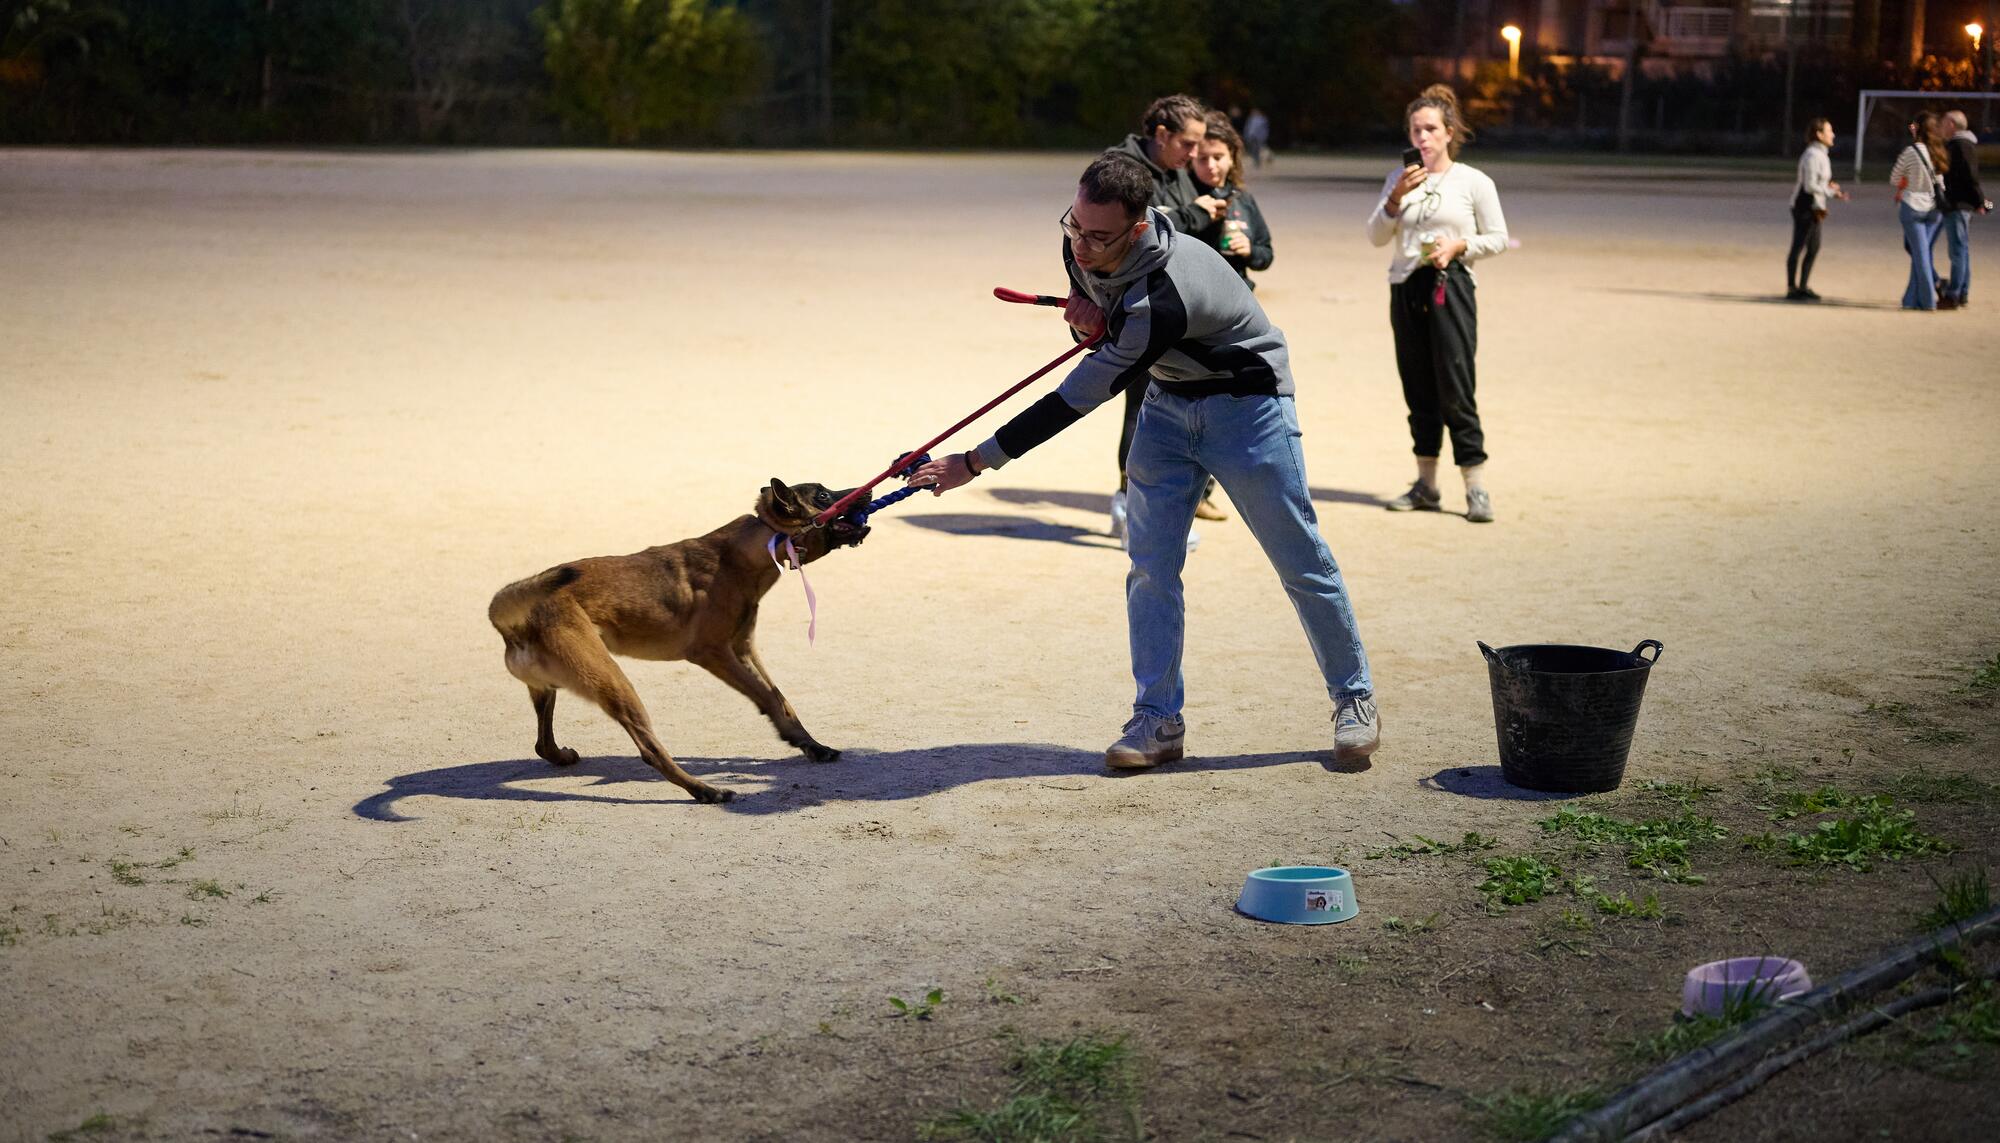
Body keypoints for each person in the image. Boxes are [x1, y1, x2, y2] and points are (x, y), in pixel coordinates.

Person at [904, 152, 1380, 768]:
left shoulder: (1166, 291)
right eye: (1074, 226)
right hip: (1167, 402)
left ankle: (1355, 699)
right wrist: (1084, 321)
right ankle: (1158, 720)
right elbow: (1099, 320)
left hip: (1249, 409)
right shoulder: (1078, 239)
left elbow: (1079, 395)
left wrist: (974, 461)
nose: (1080, 245)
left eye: (1098, 236)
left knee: (1300, 561)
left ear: (1137, 228)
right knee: (1150, 567)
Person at [1365, 84, 1509, 524]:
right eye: (1415, 130)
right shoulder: (1399, 178)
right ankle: (1426, 484)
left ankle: (1476, 486)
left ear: (1450, 133)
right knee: (1418, 386)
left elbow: (1499, 238)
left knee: (1455, 385)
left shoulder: (1473, 181)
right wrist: (1394, 200)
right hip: (1406, 286)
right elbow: (1376, 236)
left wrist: (1460, 244)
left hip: (1451, 285)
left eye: (1431, 129)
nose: (1422, 138)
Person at [1107, 94, 1229, 545]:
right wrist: (1197, 213)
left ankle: (1159, 511)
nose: (1194, 154)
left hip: (1177, 309)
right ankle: (1129, 509)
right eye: (1188, 143)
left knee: (1176, 406)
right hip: (1135, 308)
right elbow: (1142, 228)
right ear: (1161, 135)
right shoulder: (1119, 168)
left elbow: (1178, 226)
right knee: (1142, 407)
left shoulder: (1174, 170)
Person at [1190, 110, 1274, 290]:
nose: (1211, 166)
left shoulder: (1242, 198)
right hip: (1198, 298)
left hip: (1239, 295)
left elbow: (1266, 254)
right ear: (1191, 160)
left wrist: (1250, 251)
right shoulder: (1185, 197)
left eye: (1218, 157)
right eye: (1202, 159)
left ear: (1231, 157)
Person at [1889, 112, 1948, 312]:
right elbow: (1941, 182)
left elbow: (1894, 178)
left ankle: (1928, 300)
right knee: (1921, 254)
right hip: (1934, 209)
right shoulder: (1939, 150)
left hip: (1913, 206)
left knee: (1921, 256)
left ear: (1919, 129)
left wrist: (1907, 181)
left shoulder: (1911, 151)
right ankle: (1910, 299)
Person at [1786, 118, 1848, 302]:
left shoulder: (1821, 153)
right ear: (1819, 135)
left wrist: (1830, 187)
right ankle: (1792, 288)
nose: (1833, 134)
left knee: (1813, 247)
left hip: (1815, 206)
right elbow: (1809, 186)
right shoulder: (1813, 155)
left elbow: (1818, 182)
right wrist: (1830, 191)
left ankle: (1803, 287)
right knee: (1798, 247)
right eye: (1829, 131)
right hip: (1804, 206)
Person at [1940, 109, 1991, 311]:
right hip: (1960, 204)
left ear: (1952, 124)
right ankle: (1961, 292)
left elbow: (1971, 178)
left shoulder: (1961, 145)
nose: (1942, 127)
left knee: (1958, 251)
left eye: (1944, 123)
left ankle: (1954, 295)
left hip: (1958, 205)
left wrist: (1981, 203)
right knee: (1962, 251)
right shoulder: (1961, 145)